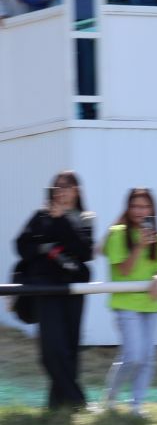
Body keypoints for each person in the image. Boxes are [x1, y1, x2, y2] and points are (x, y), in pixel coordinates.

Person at [13, 171, 94, 409]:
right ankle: (77, 401)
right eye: (57, 187)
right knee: (51, 349)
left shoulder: (85, 217)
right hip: (45, 286)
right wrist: (46, 249)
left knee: (69, 347)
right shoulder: (40, 215)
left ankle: (57, 406)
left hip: (73, 287)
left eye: (67, 187)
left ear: (77, 190)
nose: (61, 191)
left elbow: (84, 251)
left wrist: (60, 222)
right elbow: (21, 245)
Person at [100, 187, 157, 415]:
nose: (140, 211)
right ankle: (110, 398)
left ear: (152, 209)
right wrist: (140, 245)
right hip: (126, 304)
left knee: (148, 358)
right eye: (136, 206)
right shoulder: (118, 234)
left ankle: (136, 405)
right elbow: (125, 270)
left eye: (145, 206)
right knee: (134, 356)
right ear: (128, 209)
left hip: (151, 304)